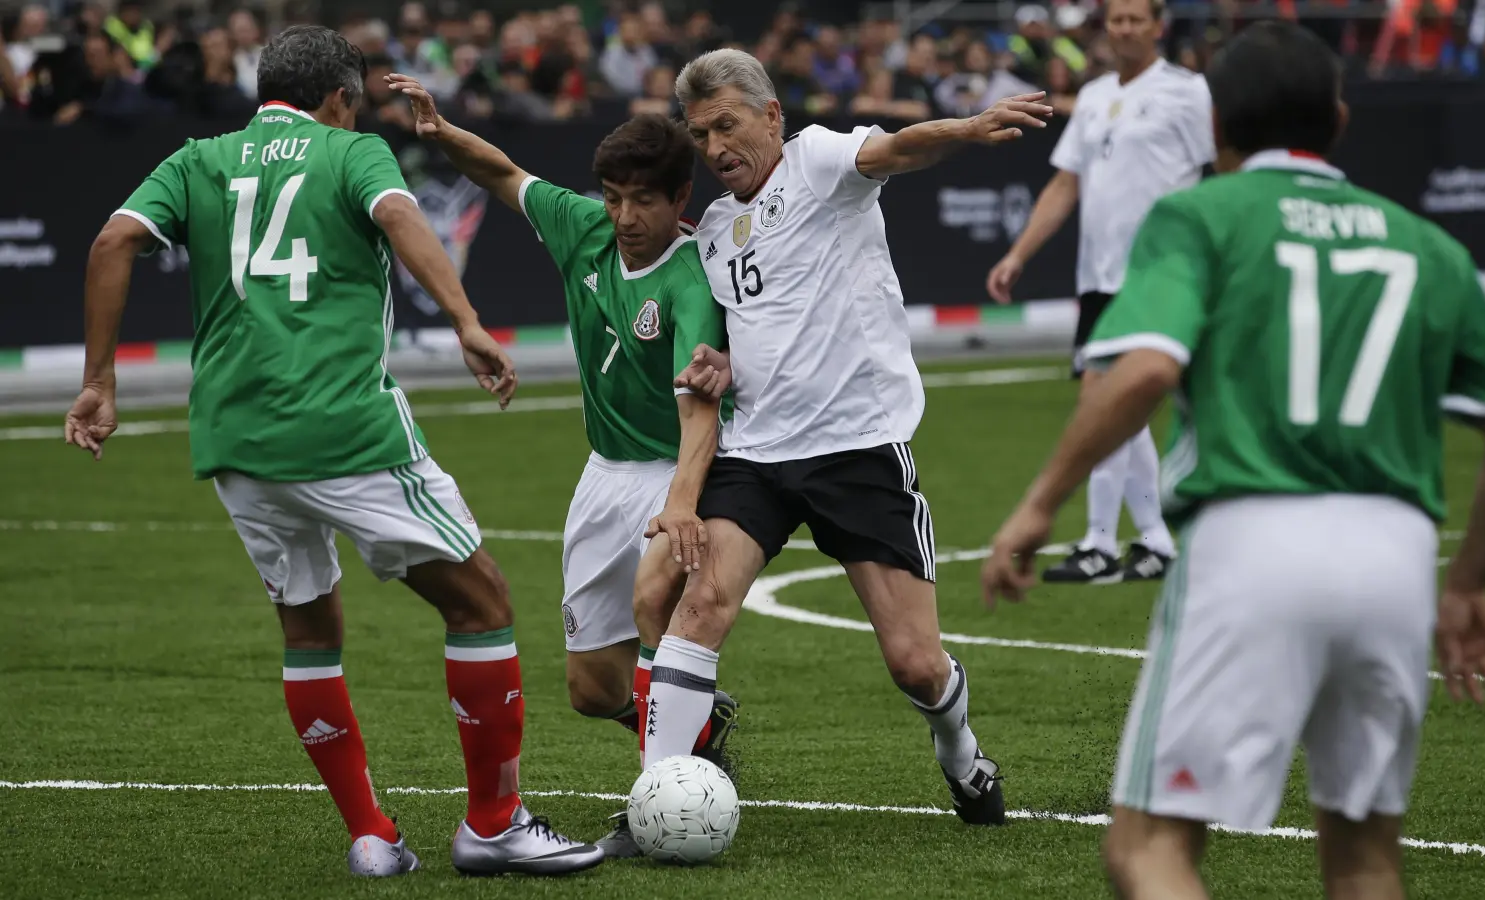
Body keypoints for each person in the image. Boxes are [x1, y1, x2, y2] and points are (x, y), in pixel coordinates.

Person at [981, 21, 1485, 899]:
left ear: (1217, 130)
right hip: (1398, 560)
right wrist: (1470, 584)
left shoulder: (1199, 216)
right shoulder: (1427, 246)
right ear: (1340, 118)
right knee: (1364, 858)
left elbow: (1146, 369)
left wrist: (1040, 502)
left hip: (1250, 542)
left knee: (1149, 847)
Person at [63, 25, 604, 879]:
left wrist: (100, 381)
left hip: (234, 437)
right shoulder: (352, 154)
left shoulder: (199, 158)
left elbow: (110, 243)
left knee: (308, 626)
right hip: (342, 425)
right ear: (343, 98)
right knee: (482, 601)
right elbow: (401, 218)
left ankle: (370, 836)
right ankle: (494, 823)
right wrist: (467, 322)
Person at [641, 47, 1053, 827]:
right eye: (699, 135)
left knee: (915, 664)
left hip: (858, 448)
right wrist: (721, 363)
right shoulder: (717, 231)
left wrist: (966, 128)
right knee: (699, 608)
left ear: (771, 117)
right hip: (758, 453)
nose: (715, 147)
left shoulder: (819, 163)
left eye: (726, 125)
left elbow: (895, 148)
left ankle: (961, 755)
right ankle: (655, 800)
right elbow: (758, 328)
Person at [384, 74, 738, 859]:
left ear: (680, 197)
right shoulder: (584, 229)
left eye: (642, 200)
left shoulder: (688, 282)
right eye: (612, 197)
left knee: (655, 609)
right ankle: (700, 720)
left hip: (675, 472)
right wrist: (442, 135)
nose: (624, 217)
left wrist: (682, 505)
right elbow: (506, 176)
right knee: (591, 692)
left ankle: (658, 804)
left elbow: (697, 411)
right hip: (602, 476)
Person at [987, 0, 1212, 585]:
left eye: (1137, 19)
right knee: (1113, 408)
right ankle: (1148, 540)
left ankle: (1101, 542)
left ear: (1158, 26)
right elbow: (1066, 184)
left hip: (1160, 273)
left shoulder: (1187, 92)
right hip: (1100, 276)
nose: (1126, 29)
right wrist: (1018, 254)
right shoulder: (1091, 98)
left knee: (1108, 400)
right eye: (1117, 19)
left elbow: (1222, 173)